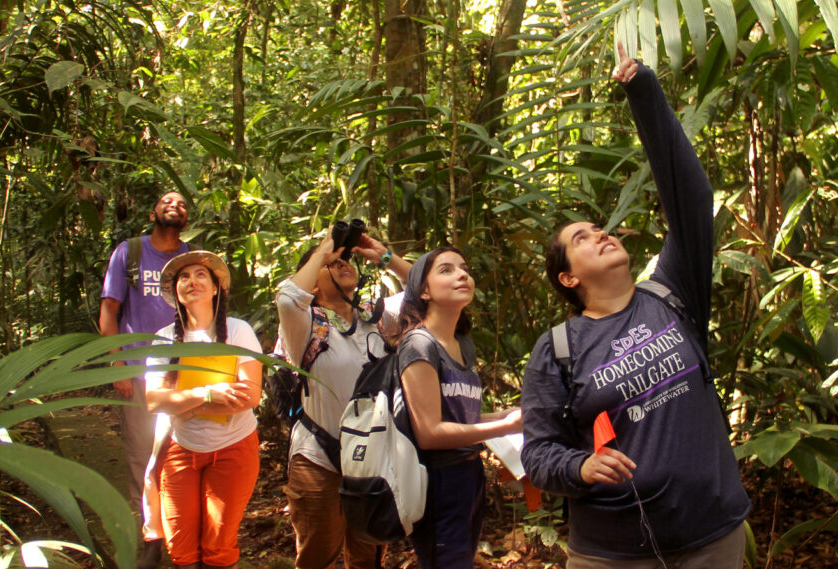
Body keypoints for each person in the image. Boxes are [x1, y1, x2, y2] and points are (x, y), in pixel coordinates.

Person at [520, 44, 750, 568]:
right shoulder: (557, 350)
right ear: (568, 276)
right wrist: (581, 469)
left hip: (712, 537)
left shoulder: (672, 291)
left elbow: (691, 199)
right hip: (613, 552)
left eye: (599, 228)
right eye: (582, 237)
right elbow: (539, 454)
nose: (600, 233)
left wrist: (643, 92)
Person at [275, 232, 411, 569]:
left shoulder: (376, 316)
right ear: (313, 283)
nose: (342, 263)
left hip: (373, 458)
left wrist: (383, 256)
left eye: (345, 259)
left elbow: (428, 289)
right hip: (318, 456)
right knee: (317, 555)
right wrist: (322, 250)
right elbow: (288, 299)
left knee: (367, 557)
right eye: (331, 264)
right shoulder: (303, 324)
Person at [395, 247, 522, 569]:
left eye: (464, 268)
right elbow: (429, 433)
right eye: (447, 270)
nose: (463, 274)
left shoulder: (463, 343)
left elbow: (459, 416)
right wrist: (507, 426)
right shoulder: (419, 345)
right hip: (436, 479)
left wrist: (508, 415)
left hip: (468, 472)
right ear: (424, 291)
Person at [144, 250, 262, 569]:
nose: (192, 281)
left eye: (200, 275)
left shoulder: (237, 331)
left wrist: (185, 401)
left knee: (219, 547)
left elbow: (249, 395)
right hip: (181, 449)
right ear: (176, 292)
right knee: (181, 549)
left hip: (233, 447)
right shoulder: (163, 340)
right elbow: (155, 401)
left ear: (215, 288)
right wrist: (209, 394)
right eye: (184, 276)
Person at [99, 190, 191, 567]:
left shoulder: (191, 259)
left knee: (182, 453)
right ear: (153, 211)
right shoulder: (130, 252)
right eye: (168, 201)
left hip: (183, 369)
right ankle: (151, 537)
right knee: (143, 456)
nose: (175, 205)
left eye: (183, 204)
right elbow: (109, 310)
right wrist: (117, 364)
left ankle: (182, 534)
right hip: (139, 369)